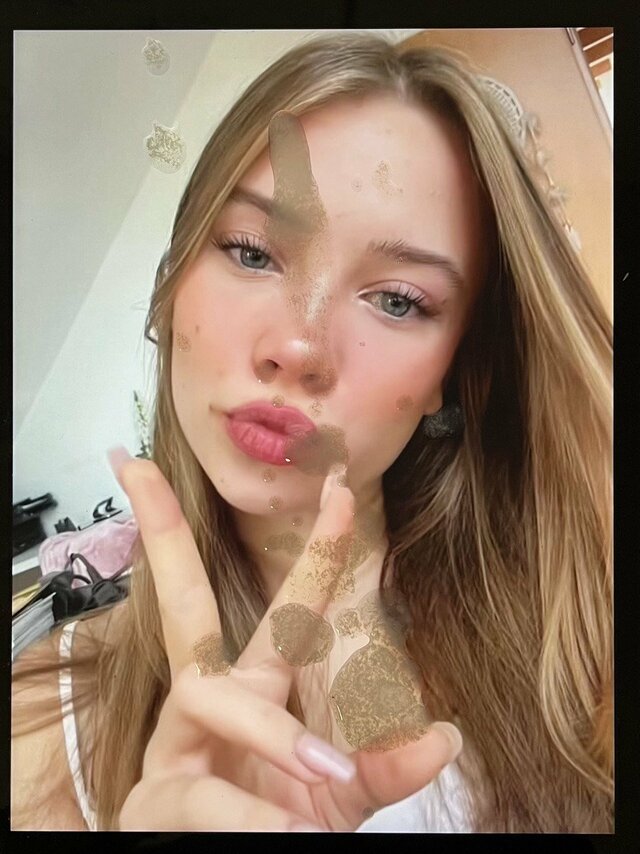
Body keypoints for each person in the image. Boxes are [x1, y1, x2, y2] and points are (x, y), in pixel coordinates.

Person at [11, 31, 612, 832]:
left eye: (397, 300)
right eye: (252, 253)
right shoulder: (43, 725)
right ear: (173, 280)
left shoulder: (586, 650)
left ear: (454, 368)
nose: (298, 346)